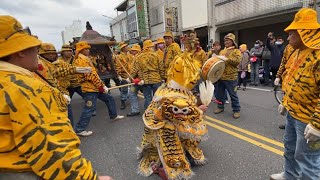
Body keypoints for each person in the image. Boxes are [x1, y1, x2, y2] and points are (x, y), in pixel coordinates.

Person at [0, 15, 111, 180]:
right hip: (22, 171)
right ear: (20, 51)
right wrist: (88, 177)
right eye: (33, 47)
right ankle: (79, 128)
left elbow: (59, 71)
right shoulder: (24, 88)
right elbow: (53, 148)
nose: (37, 52)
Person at [270, 8, 320, 180]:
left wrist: (317, 124)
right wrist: (286, 102)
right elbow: (292, 78)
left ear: (304, 32)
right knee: (290, 147)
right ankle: (289, 174)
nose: (288, 37)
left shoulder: (318, 55)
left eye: (292, 33)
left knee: (309, 160)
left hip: (308, 118)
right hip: (293, 112)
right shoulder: (295, 51)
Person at [73, 41, 124, 137]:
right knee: (89, 108)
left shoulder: (84, 59)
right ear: (81, 50)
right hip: (89, 88)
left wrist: (100, 85)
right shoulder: (80, 60)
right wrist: (101, 85)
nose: (88, 50)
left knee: (109, 98)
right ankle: (80, 129)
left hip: (94, 87)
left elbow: (93, 74)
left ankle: (113, 115)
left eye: (88, 48)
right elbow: (90, 76)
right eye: (86, 49)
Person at [214, 33, 241, 119]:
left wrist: (227, 59)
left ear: (232, 41)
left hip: (231, 77)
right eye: (225, 40)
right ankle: (220, 107)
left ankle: (236, 110)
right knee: (219, 94)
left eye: (228, 40)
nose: (226, 42)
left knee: (233, 94)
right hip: (221, 76)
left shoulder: (236, 51)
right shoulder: (222, 51)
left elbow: (237, 61)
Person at [131, 39, 165, 109]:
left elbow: (135, 69)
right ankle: (158, 111)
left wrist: (131, 78)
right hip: (156, 79)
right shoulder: (157, 55)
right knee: (157, 97)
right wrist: (163, 78)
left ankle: (149, 112)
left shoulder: (139, 57)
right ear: (150, 47)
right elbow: (161, 68)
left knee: (148, 98)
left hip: (145, 81)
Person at [127, 44, 143, 116]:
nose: (131, 52)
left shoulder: (137, 58)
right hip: (144, 80)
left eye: (133, 50)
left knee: (132, 93)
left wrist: (130, 78)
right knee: (148, 95)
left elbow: (134, 70)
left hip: (137, 81)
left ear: (136, 51)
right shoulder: (143, 57)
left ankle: (135, 110)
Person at [114, 41, 130, 110]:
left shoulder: (129, 55)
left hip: (131, 75)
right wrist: (118, 75)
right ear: (123, 48)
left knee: (133, 89)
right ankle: (123, 102)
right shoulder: (119, 57)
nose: (127, 47)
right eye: (126, 46)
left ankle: (130, 97)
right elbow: (118, 67)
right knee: (124, 90)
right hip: (124, 76)